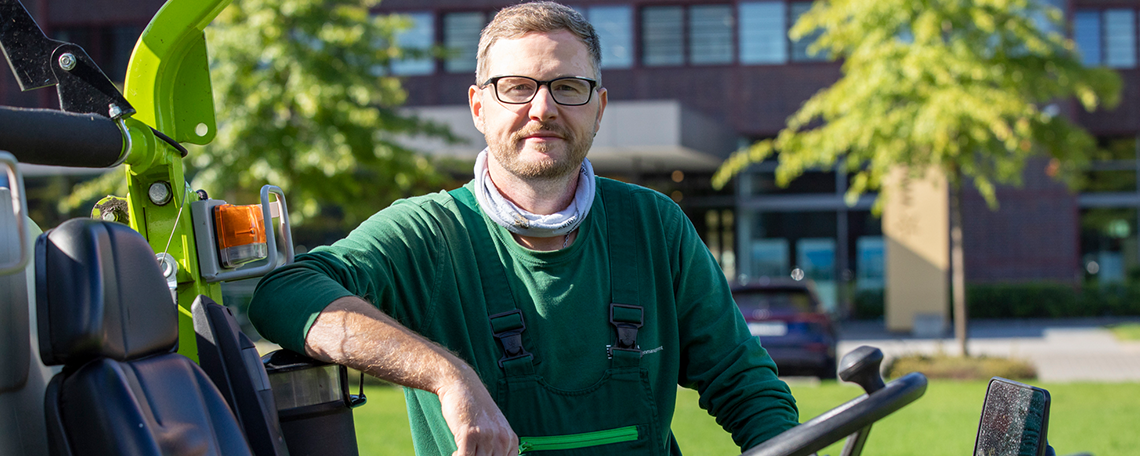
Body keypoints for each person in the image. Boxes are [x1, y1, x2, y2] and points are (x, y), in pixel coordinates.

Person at [248, 2, 798, 455]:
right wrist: (446, 375)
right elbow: (285, 294)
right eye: (516, 87)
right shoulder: (427, 235)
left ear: (598, 107)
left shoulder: (654, 225)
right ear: (478, 106)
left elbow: (744, 382)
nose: (542, 108)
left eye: (568, 87)